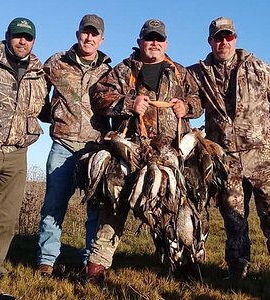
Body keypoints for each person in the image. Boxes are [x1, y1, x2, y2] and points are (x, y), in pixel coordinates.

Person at [85, 18, 202, 282]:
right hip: (130, 149)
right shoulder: (124, 70)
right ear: (140, 42)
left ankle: (182, 264)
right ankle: (97, 266)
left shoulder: (180, 72)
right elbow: (98, 97)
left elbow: (198, 101)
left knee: (173, 207)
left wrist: (187, 107)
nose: (154, 43)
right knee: (114, 205)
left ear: (166, 44)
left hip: (170, 153)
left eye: (159, 39)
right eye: (149, 38)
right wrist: (128, 103)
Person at [188, 16, 270, 279]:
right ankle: (238, 271)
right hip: (225, 161)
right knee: (234, 220)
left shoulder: (259, 68)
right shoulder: (198, 73)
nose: (223, 42)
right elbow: (189, 101)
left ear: (235, 38)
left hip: (263, 159)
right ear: (210, 41)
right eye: (218, 38)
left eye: (228, 37)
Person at [0, 17, 47, 281]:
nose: (22, 41)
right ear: (7, 36)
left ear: (33, 41)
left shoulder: (39, 72)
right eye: (17, 36)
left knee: (6, 214)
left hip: (17, 152)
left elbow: (42, 110)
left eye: (27, 37)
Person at [37, 14, 111, 276]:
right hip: (63, 145)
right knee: (54, 205)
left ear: (102, 38)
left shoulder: (108, 71)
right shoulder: (57, 62)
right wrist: (50, 115)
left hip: (94, 150)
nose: (89, 38)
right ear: (78, 33)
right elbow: (36, 91)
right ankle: (46, 261)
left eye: (94, 34)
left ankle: (89, 262)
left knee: (95, 209)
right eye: (85, 32)